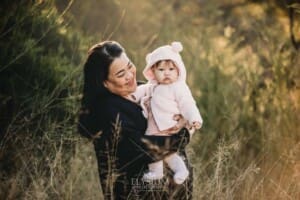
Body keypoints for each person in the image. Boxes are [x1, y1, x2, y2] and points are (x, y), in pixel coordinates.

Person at [78, 41, 194, 199]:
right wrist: (185, 135)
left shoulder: (143, 89)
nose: (130, 75)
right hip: (139, 194)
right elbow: (140, 148)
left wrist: (183, 118)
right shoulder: (107, 110)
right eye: (120, 74)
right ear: (105, 83)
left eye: (129, 65)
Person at [132, 42, 203, 185]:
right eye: (161, 69)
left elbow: (187, 104)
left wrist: (193, 118)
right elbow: (139, 91)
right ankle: (157, 172)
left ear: (179, 69)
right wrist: (133, 96)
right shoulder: (152, 86)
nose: (166, 73)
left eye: (171, 69)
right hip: (153, 127)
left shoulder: (179, 87)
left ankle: (181, 170)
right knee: (152, 150)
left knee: (170, 154)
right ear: (153, 71)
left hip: (170, 126)